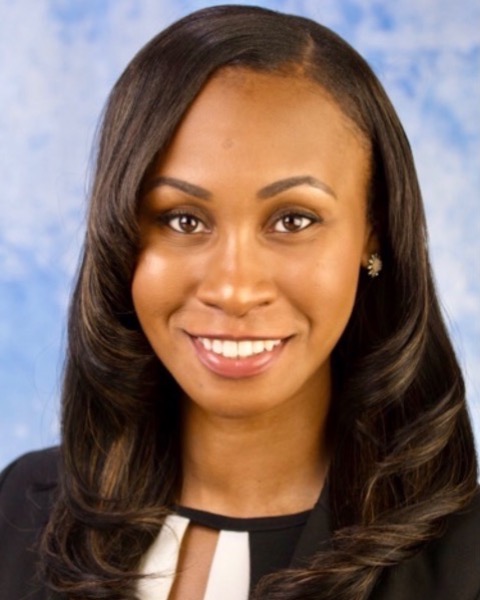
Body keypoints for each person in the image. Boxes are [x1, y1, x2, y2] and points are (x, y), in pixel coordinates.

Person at [0, 4, 478, 600]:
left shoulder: (464, 557)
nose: (233, 288)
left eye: (293, 219)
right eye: (183, 219)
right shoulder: (20, 509)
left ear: (372, 231)